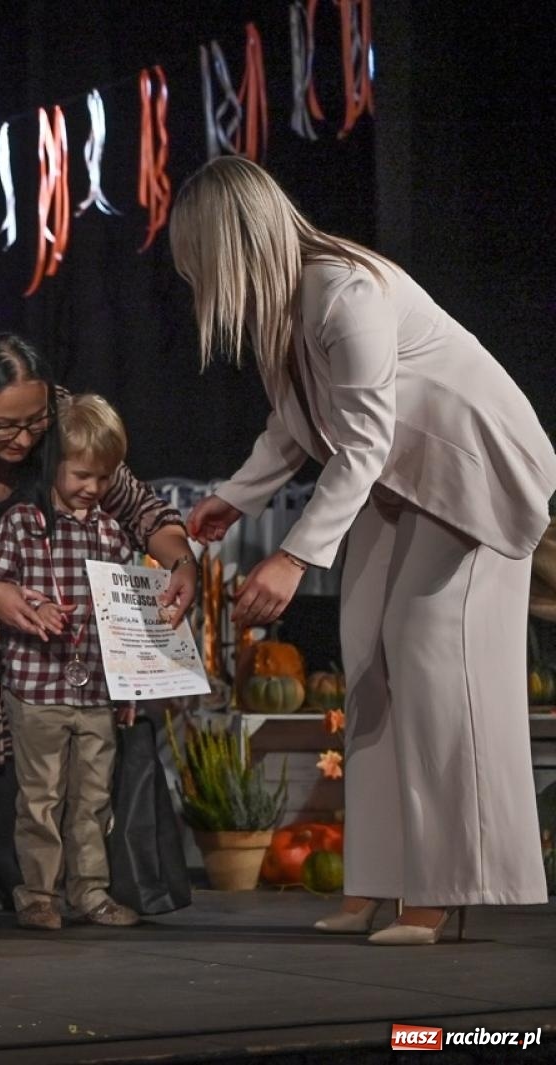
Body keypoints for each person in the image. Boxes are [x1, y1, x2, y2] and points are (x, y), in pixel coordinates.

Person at [171, 156, 556, 944]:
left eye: (198, 263)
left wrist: (293, 556)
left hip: (473, 476)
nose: (195, 282)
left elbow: (364, 440)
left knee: (432, 658)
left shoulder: (344, 295)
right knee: (368, 657)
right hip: (396, 481)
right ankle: (376, 879)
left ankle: (441, 889)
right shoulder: (287, 311)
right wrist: (235, 497)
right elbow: (294, 426)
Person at [0, 335, 196, 907]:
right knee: (10, 833)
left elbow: (142, 509)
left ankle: (85, 891)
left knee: (80, 798)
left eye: (34, 423)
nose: (23, 439)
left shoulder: (65, 430)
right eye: (4, 427)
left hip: (65, 667)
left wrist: (180, 560)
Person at [0, 394, 142, 931]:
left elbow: (127, 617)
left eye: (103, 478)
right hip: (37, 688)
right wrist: (34, 605)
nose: (93, 488)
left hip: (96, 689)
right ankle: (36, 894)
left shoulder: (113, 535)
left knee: (93, 801)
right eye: (81, 474)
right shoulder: (22, 526)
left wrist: (129, 686)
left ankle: (91, 893)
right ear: (53, 461)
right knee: (40, 799)